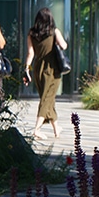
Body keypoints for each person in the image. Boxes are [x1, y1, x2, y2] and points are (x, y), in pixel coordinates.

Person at [23, 7, 67, 140]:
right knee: (46, 99)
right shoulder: (54, 32)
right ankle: (37, 129)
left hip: (38, 69)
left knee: (49, 99)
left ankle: (56, 129)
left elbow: (30, 53)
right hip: (52, 69)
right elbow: (64, 46)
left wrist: (26, 69)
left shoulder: (32, 34)